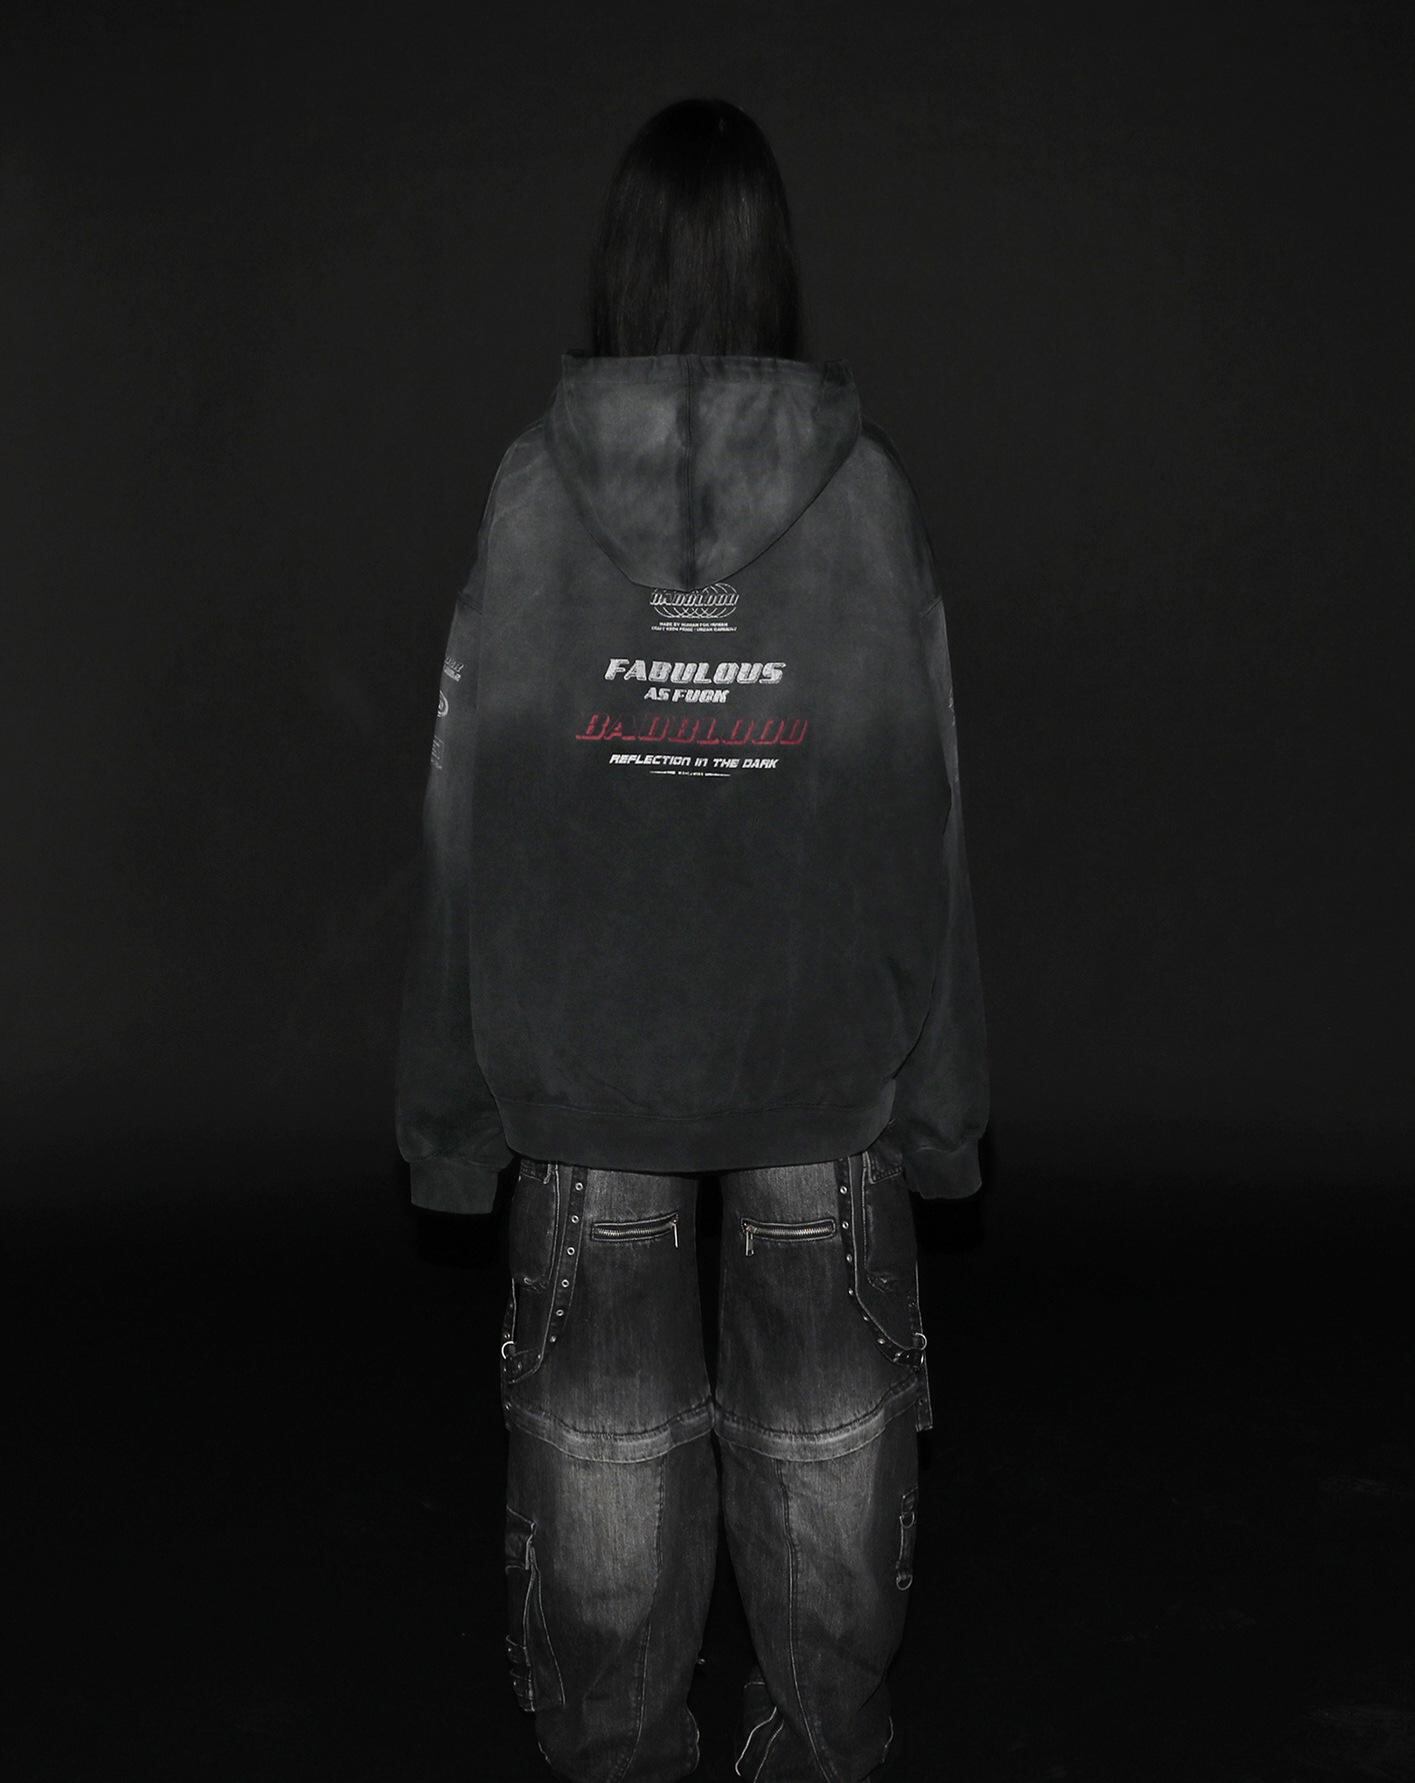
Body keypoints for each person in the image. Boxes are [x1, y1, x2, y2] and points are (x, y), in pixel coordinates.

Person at [395, 96, 988, 1783]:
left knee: (602, 1458)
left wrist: (450, 1118)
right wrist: (942, 1108)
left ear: (621, 266)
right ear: (772, 267)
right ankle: (820, 1742)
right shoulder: (868, 499)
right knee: (825, 1447)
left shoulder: (530, 496)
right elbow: (930, 815)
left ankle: (619, 1750)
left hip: (590, 1069)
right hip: (821, 1059)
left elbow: (466, 819)